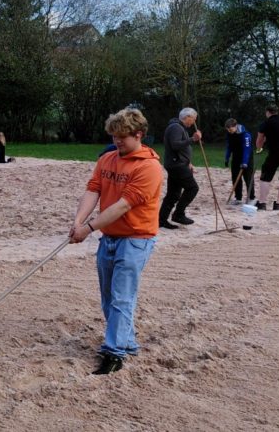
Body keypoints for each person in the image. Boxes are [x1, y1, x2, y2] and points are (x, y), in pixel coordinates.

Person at [68, 107, 163, 375]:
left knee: (122, 297)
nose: (118, 141)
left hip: (135, 239)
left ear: (139, 134)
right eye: (114, 136)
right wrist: (79, 221)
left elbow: (123, 206)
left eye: (123, 136)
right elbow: (93, 190)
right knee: (109, 297)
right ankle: (127, 341)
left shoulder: (150, 167)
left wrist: (87, 229)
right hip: (109, 237)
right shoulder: (107, 159)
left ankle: (114, 352)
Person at [159, 107, 202, 229]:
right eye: (193, 119)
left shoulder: (178, 127)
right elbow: (176, 145)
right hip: (176, 165)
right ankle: (178, 214)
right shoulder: (175, 127)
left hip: (178, 164)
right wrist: (193, 139)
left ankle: (161, 220)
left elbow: (181, 148)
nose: (193, 122)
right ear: (187, 117)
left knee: (173, 194)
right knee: (192, 188)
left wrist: (188, 162)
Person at [255, 104, 279, 211]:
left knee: (265, 178)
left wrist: (259, 148)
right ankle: (278, 204)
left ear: (268, 112)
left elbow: (259, 141)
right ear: (277, 112)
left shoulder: (266, 123)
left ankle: (262, 203)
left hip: (274, 153)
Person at [224, 118, 255, 205]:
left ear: (235, 126)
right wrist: (227, 158)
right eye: (228, 130)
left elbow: (247, 149)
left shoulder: (246, 135)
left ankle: (251, 198)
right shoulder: (229, 134)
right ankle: (238, 198)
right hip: (236, 158)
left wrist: (245, 162)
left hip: (247, 158)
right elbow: (229, 146)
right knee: (235, 178)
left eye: (230, 129)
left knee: (248, 178)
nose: (229, 131)